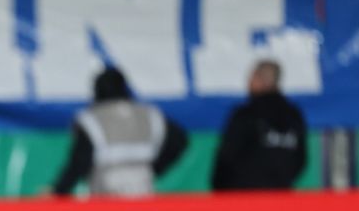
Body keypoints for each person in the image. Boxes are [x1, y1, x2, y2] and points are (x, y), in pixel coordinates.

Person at [49, 66, 188, 198]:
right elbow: (179, 140)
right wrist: (155, 169)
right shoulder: (149, 115)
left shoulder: (92, 119)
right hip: (142, 186)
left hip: (105, 189)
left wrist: (58, 191)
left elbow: (78, 162)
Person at [211, 60, 308, 192]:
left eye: (251, 78)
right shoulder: (294, 116)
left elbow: (227, 156)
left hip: (244, 195)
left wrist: (220, 188)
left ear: (259, 79)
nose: (248, 83)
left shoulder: (246, 114)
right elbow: (301, 160)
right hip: (280, 194)